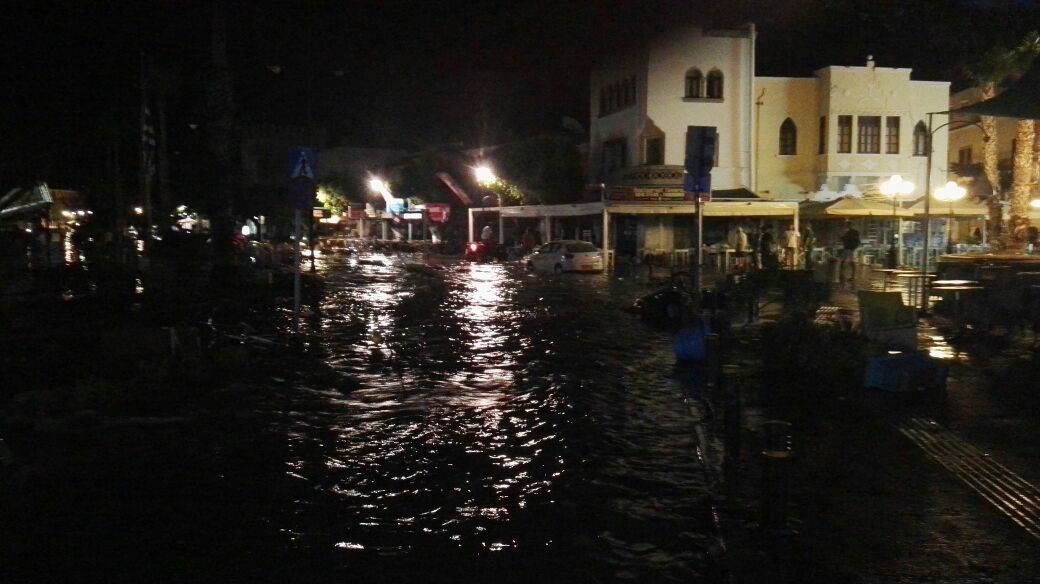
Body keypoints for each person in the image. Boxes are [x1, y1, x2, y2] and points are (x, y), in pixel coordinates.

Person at [840, 220, 861, 286]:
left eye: (847, 225)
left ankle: (848, 275)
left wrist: (854, 247)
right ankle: (845, 275)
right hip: (849, 248)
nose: (846, 226)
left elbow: (856, 241)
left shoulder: (853, 232)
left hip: (851, 248)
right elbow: (844, 239)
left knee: (850, 262)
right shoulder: (849, 232)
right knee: (848, 262)